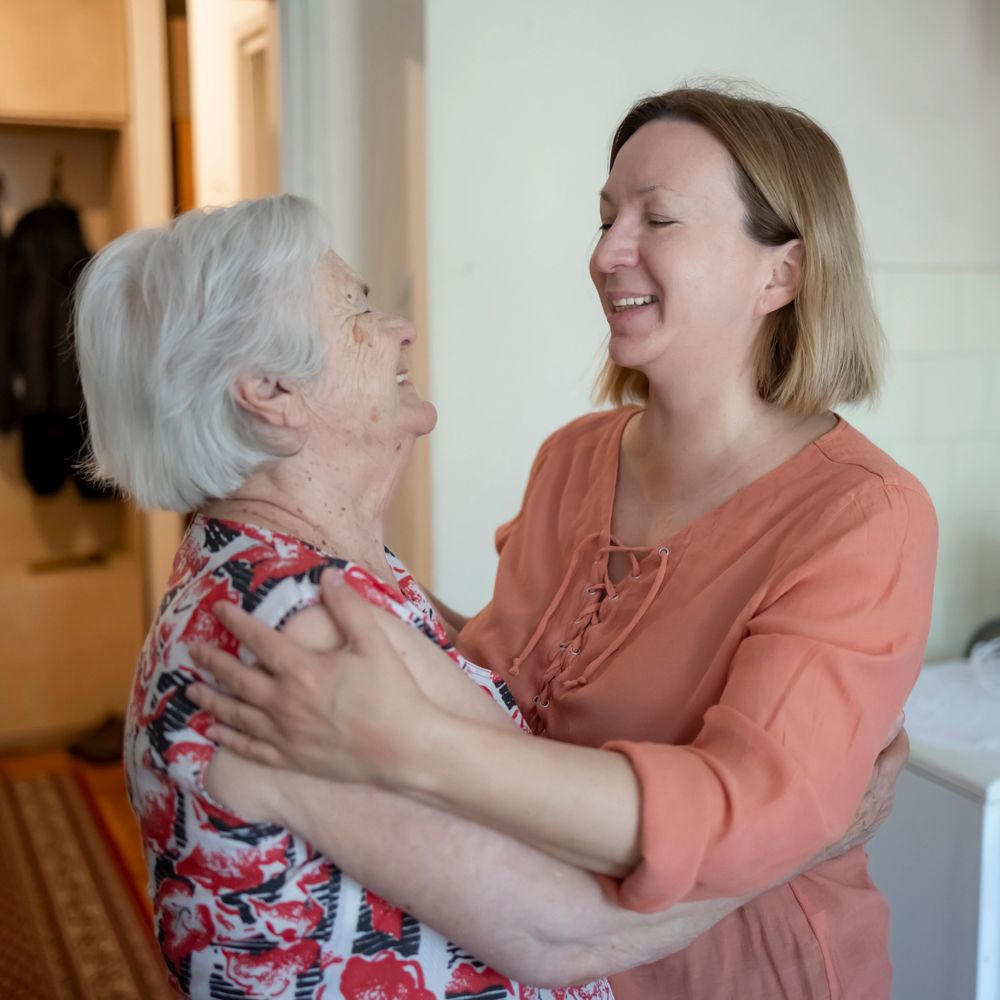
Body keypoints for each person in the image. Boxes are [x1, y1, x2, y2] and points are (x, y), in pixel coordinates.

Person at [187, 87, 936, 999]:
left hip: (745, 971)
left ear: (779, 276)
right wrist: (340, 580)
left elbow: (747, 814)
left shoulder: (864, 516)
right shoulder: (575, 457)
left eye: (657, 218)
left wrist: (404, 742)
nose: (605, 253)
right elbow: (509, 677)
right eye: (606, 216)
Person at [74, 193, 822, 999]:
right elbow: (566, 929)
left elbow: (461, 681)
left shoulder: (291, 571)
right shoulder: (304, 633)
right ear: (270, 390)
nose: (399, 327)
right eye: (357, 308)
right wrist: (815, 830)